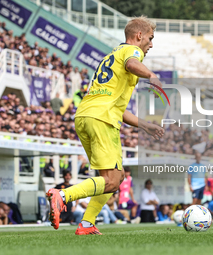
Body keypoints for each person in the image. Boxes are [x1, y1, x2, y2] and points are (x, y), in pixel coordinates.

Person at [46, 16, 164, 235]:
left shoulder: (112, 55)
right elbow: (132, 63)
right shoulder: (133, 52)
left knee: (113, 178)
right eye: (150, 37)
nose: (151, 44)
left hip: (86, 115)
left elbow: (119, 108)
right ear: (139, 36)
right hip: (102, 119)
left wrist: (145, 125)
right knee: (111, 180)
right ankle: (62, 196)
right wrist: (150, 74)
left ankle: (87, 223)